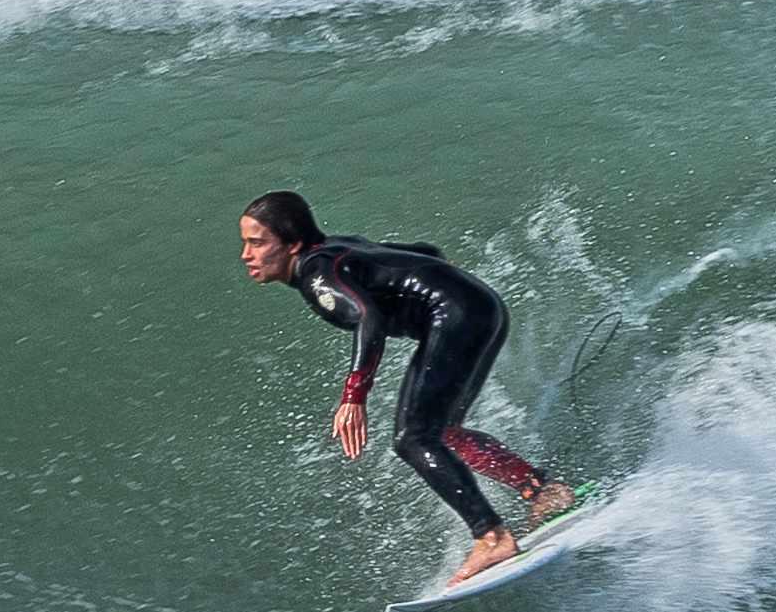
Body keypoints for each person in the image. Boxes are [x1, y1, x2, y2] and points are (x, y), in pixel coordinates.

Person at [238, 191, 576, 586]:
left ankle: (492, 537)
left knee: (412, 439)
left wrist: (354, 397)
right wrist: (448, 285)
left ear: (292, 244)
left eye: (257, 243)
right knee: (443, 432)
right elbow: (423, 250)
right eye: (246, 242)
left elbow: (368, 320)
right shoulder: (337, 247)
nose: (246, 254)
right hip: (482, 308)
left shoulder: (317, 276)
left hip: (456, 318)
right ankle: (542, 491)